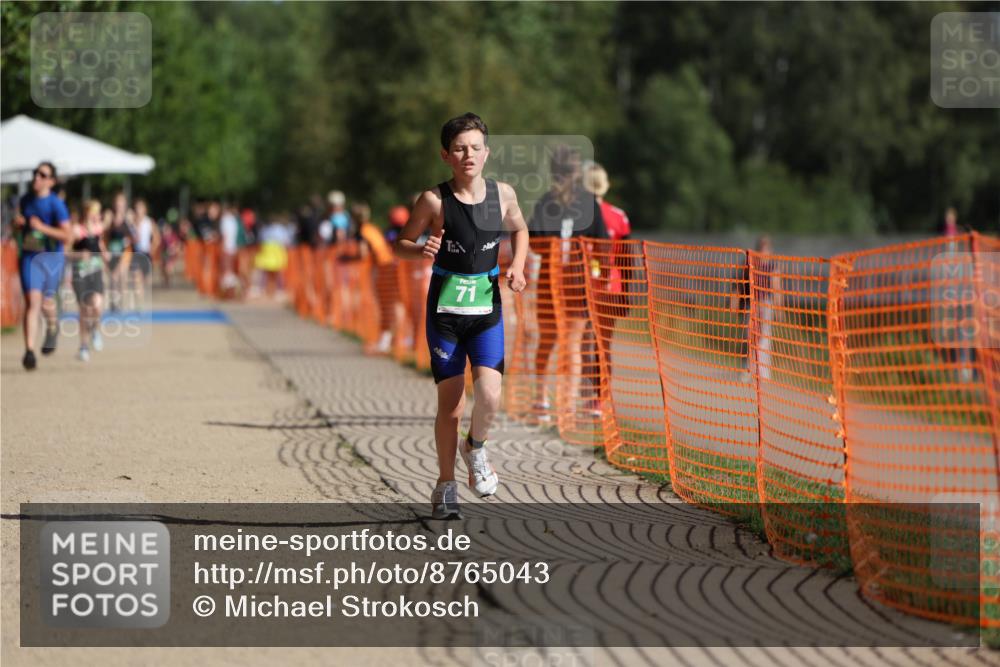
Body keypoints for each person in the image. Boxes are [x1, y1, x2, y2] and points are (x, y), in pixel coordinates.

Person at [394, 112, 528, 519]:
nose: (467, 155)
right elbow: (399, 243)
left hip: (486, 309)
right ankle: (445, 484)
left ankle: (476, 448)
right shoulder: (434, 200)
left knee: (490, 393)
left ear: (486, 153)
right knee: (450, 405)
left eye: (474, 147)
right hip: (446, 313)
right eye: (459, 149)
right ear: (445, 155)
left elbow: (521, 229)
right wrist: (419, 251)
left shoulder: (502, 195)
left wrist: (518, 266)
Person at [528, 146, 608, 420]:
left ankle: (542, 401)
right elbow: (604, 246)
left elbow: (534, 241)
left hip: (553, 282)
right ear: (577, 172)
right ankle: (568, 404)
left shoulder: (546, 202)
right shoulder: (589, 203)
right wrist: (601, 272)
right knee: (573, 344)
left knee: (548, 341)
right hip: (576, 282)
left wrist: (552, 249)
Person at [13, 161, 72, 370]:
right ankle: (29, 352)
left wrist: (42, 228)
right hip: (29, 257)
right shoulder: (25, 200)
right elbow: (18, 229)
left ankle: (53, 327)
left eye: (42, 174)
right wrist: (17, 226)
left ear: (51, 181)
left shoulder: (56, 204)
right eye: (35, 173)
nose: (36, 177)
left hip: (51, 258)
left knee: (47, 303)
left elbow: (67, 235)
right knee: (32, 301)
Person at [69, 200, 109, 361]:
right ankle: (83, 346)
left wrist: (106, 256)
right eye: (95, 212)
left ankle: (95, 330)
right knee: (84, 310)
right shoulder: (76, 230)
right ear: (87, 213)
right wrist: (79, 255)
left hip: (96, 272)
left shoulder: (99, 230)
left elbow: (101, 247)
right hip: (80, 274)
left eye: (98, 212)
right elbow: (66, 251)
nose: (97, 215)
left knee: (97, 305)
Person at [104, 192, 133, 312]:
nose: (119, 205)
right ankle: (113, 301)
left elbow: (133, 233)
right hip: (112, 250)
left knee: (121, 276)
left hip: (125, 251)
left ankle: (120, 302)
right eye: (117, 202)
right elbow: (104, 231)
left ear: (125, 204)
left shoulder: (129, 215)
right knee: (112, 277)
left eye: (122, 203)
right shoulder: (109, 215)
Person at [130, 198, 160, 302]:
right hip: (135, 253)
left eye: (140, 207)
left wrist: (152, 248)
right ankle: (139, 302)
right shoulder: (131, 222)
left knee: (145, 280)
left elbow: (157, 238)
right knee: (136, 279)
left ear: (145, 209)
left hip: (146, 253)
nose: (138, 210)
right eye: (137, 207)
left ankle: (143, 300)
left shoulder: (149, 222)